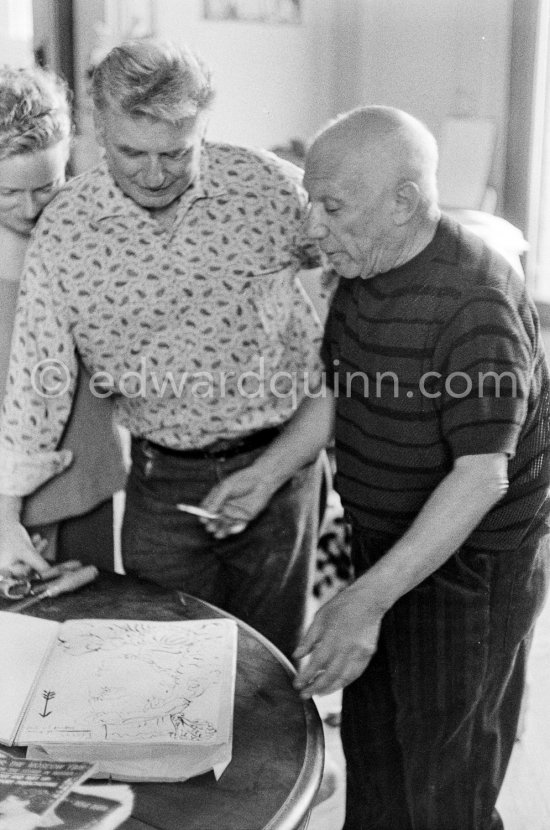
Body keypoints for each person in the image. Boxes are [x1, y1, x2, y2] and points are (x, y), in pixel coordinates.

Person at [202, 106, 550, 829]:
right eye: (311, 205)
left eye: (331, 207)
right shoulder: (362, 266)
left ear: (403, 201)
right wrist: (267, 474)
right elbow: (339, 390)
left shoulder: (474, 300)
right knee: (376, 741)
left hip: (469, 570)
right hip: (387, 544)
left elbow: (480, 476)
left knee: (444, 775)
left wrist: (364, 600)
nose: (313, 229)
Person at [0, 40, 324, 658]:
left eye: (176, 153)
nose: (154, 174)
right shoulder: (65, 229)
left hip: (281, 473)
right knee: (164, 671)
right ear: (97, 133)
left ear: (204, 126)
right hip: (161, 483)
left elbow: (355, 256)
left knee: (269, 674)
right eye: (131, 153)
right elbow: (36, 383)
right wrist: (5, 516)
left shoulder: (267, 188)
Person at [0, 65, 126, 577]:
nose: (30, 210)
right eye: (8, 192)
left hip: (80, 485)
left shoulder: (90, 232)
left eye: (47, 186)